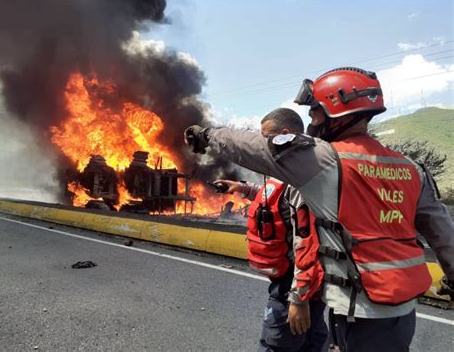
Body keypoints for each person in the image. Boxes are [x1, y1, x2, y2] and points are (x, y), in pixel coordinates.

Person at [184, 67, 454, 352]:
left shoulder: (326, 160)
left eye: (314, 113)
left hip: (361, 310)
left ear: (336, 111)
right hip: (403, 311)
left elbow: (253, 146)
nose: (311, 121)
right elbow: (443, 234)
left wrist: (206, 135)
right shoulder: (411, 168)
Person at [214, 108, 327, 351]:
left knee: (276, 346)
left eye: (266, 138)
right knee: (311, 343)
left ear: (284, 135)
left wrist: (299, 298)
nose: (262, 145)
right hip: (296, 285)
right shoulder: (288, 172)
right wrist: (241, 188)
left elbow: (307, 245)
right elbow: (275, 193)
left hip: (294, 287)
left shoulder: (303, 180)